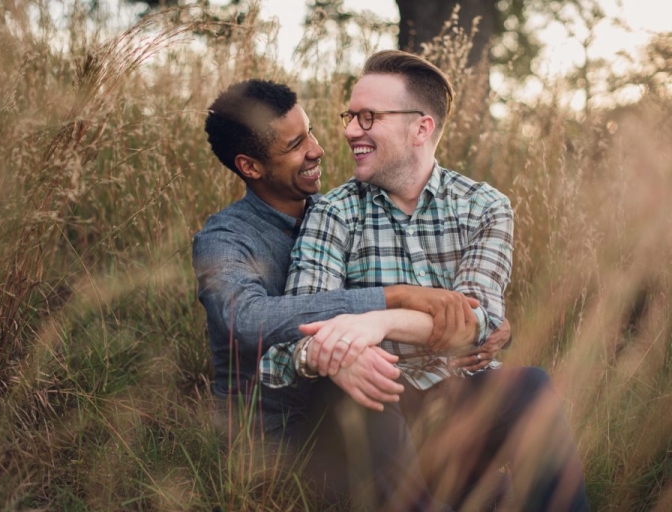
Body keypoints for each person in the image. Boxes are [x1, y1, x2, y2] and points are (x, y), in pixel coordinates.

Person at [260, 50, 589, 511]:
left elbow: (475, 324)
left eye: (369, 117)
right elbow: (298, 330)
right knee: (361, 396)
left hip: (456, 405)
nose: (351, 130)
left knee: (530, 386)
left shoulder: (484, 206)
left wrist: (373, 323)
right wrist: (337, 355)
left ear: (421, 128)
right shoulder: (333, 212)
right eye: (350, 116)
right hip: (371, 407)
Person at [193, 79, 510, 503]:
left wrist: (490, 326)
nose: (317, 149)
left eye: (311, 132)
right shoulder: (224, 240)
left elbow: (462, 302)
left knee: (481, 465)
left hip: (359, 397)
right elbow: (244, 320)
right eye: (294, 145)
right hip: (278, 433)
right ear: (250, 167)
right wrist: (391, 298)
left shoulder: (333, 213)